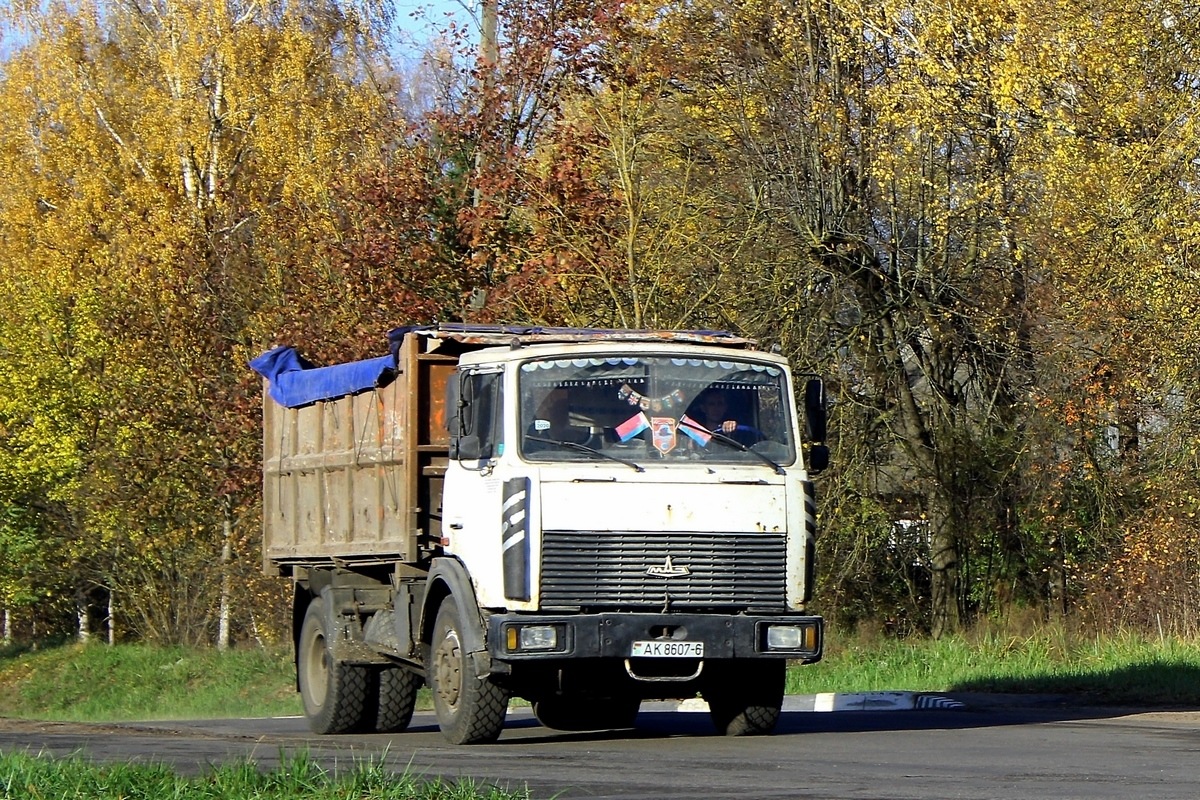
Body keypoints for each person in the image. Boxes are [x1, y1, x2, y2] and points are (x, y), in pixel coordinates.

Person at [526, 386, 591, 448]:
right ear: (550, 413)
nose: (559, 415)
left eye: (562, 412)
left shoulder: (587, 437)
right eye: (555, 411)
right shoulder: (534, 438)